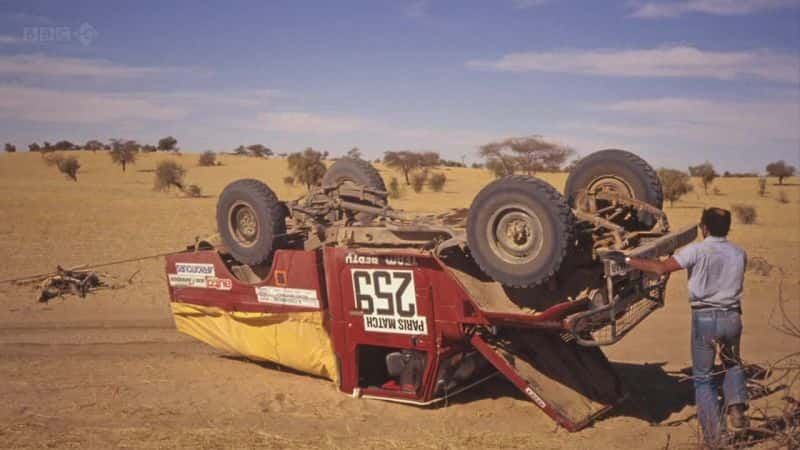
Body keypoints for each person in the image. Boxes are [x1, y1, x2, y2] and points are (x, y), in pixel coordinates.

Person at [604, 207, 748, 445]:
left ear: (705, 228)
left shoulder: (696, 250)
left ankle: (715, 437)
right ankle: (737, 408)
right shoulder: (739, 253)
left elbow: (660, 268)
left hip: (705, 318)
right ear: (728, 228)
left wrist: (627, 259)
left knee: (703, 378)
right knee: (732, 363)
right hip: (733, 316)